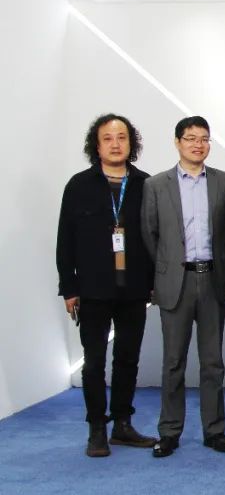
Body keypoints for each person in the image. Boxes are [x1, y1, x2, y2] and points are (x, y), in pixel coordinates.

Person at [57, 114, 157, 457]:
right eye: (108, 138)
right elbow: (65, 240)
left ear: (132, 143)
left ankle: (123, 425)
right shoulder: (79, 185)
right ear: (96, 145)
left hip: (135, 289)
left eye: (122, 137)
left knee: (128, 360)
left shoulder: (145, 184)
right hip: (93, 289)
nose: (116, 144)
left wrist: (154, 282)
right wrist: (69, 288)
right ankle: (97, 429)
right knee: (94, 362)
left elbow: (155, 237)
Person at [142, 115, 225, 457]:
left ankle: (215, 431)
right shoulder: (156, 184)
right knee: (173, 362)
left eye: (204, 138)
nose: (198, 144)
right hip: (175, 283)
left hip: (212, 280)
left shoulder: (224, 182)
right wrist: (163, 273)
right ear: (177, 142)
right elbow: (149, 235)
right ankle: (169, 431)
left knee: (213, 362)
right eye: (191, 138)